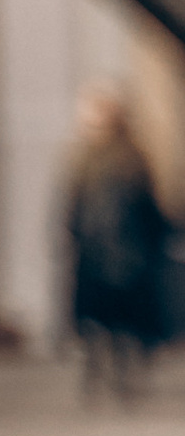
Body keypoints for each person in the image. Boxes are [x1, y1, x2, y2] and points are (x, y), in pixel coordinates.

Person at [66, 86, 170, 402]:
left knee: (120, 320)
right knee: (101, 320)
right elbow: (75, 208)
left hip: (124, 254)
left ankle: (119, 375)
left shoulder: (128, 159)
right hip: (98, 254)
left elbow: (145, 209)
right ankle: (101, 374)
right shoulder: (84, 159)